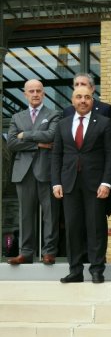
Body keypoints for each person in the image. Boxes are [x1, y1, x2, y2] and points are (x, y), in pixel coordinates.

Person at [52, 85, 111, 283]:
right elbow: (56, 155)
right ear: (72, 101)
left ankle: (97, 269)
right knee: (72, 227)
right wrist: (56, 182)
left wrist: (107, 182)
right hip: (69, 183)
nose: (83, 100)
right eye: (79, 97)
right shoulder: (63, 124)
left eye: (87, 97)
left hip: (96, 184)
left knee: (96, 226)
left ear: (92, 100)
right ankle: (75, 270)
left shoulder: (104, 123)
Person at [6, 79, 61, 265]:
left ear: (43, 93)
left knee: (50, 214)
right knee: (25, 214)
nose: (35, 94)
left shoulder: (53, 114)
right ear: (25, 94)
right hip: (23, 172)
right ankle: (26, 253)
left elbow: (52, 135)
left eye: (38, 91)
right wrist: (38, 143)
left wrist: (26, 135)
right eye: (32, 91)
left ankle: (49, 252)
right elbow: (12, 143)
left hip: (46, 170)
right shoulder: (16, 117)